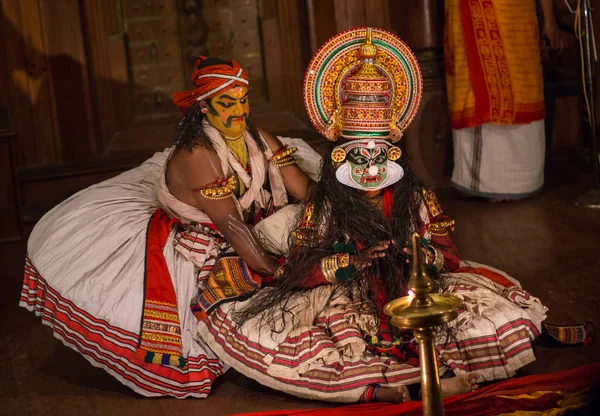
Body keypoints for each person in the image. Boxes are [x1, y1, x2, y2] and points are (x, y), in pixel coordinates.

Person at [196, 28, 549, 404]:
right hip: (348, 296)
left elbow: (449, 255)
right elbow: (300, 269)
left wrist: (420, 257)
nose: (369, 168)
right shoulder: (327, 204)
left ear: (393, 156)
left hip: (414, 290)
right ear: (340, 158)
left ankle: (426, 379)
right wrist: (351, 264)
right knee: (299, 346)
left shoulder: (414, 196)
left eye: (378, 155)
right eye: (358, 157)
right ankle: (404, 388)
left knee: (492, 321)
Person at [19, 56, 322, 398]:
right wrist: (279, 271)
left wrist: (332, 215)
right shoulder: (198, 155)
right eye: (227, 103)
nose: (239, 111)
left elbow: (303, 188)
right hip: (207, 236)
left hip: (247, 228)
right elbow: (232, 225)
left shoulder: (259, 137)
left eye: (243, 100)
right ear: (204, 108)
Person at [444, 0, 567, 201]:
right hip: (475, 14)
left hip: (517, 17)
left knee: (521, 88)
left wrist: (549, 20)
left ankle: (521, 182)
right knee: (480, 90)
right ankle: (488, 184)